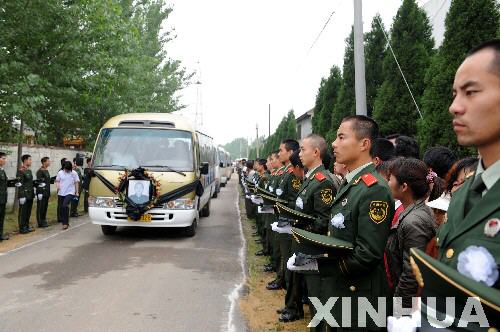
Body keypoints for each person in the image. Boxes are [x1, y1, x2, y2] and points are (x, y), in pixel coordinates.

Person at [318, 115, 394, 330]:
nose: (334, 144)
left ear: (364, 144)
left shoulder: (374, 188)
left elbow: (367, 253)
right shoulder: (353, 183)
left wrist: (322, 264)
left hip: (359, 295)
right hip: (344, 287)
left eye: (341, 137)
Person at [288, 134, 336, 325]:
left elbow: (323, 221)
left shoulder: (322, 181)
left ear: (316, 152)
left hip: (313, 249)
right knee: (312, 294)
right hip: (304, 243)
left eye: (303, 149)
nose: (299, 154)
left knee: (318, 300)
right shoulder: (311, 179)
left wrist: (300, 229)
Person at [385, 157, 436, 310]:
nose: (387, 183)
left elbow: (412, 274)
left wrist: (400, 311)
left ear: (404, 186)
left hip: (411, 307)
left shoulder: (414, 222)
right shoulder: (413, 212)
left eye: (390, 179)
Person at [56, 161, 80, 230]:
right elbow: (57, 180)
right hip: (61, 192)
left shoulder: (74, 173)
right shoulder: (60, 172)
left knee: (65, 205)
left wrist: (77, 192)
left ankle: (65, 223)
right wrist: (58, 187)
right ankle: (65, 221)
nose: (67, 170)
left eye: (68, 169)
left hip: (70, 192)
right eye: (66, 169)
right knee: (62, 208)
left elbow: (76, 182)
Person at [17, 154, 35, 234]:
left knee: (28, 211)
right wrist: (21, 196)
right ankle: (22, 227)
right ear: (25, 160)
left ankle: (26, 226)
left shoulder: (29, 171)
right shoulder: (21, 171)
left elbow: (30, 182)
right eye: (30, 159)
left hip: (30, 194)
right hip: (24, 195)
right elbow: (19, 184)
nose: (31, 161)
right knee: (23, 212)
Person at [36, 157, 51, 228]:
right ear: (44, 162)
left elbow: (46, 181)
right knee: (41, 207)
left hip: (46, 192)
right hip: (42, 192)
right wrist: (39, 193)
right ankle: (40, 222)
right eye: (48, 161)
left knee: (45, 207)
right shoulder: (40, 171)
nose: (49, 162)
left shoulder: (46, 170)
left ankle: (44, 220)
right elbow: (39, 182)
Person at [0, 152, 12, 240]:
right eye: (3, 158)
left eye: (5, 158)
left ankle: (0, 235)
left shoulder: (2, 170)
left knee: (1, 216)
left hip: (3, 198)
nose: (5, 160)